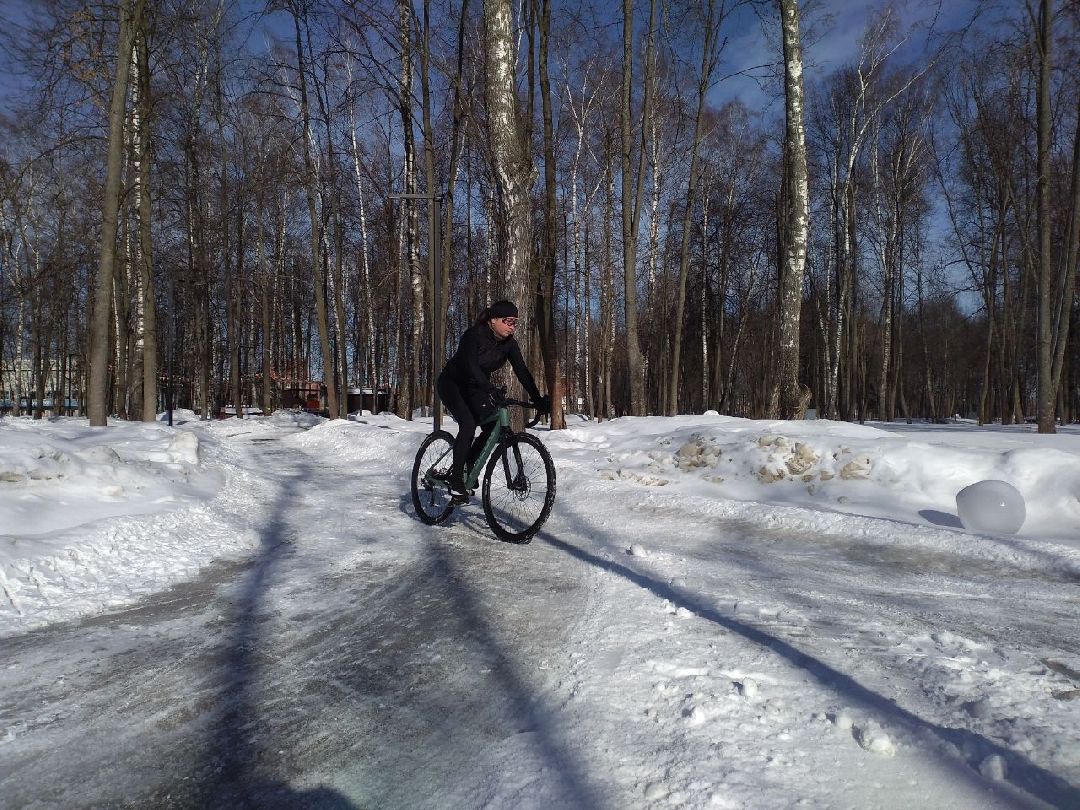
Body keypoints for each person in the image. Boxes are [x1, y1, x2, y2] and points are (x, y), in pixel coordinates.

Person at [437, 300, 551, 502]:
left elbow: (522, 372)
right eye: (508, 321)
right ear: (493, 320)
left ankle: (469, 465)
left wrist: (537, 399)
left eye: (515, 322)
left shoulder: (510, 344)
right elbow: (471, 365)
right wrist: (489, 388)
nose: (512, 326)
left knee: (491, 427)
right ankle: (456, 481)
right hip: (452, 384)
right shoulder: (473, 335)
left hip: (476, 387)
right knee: (468, 424)